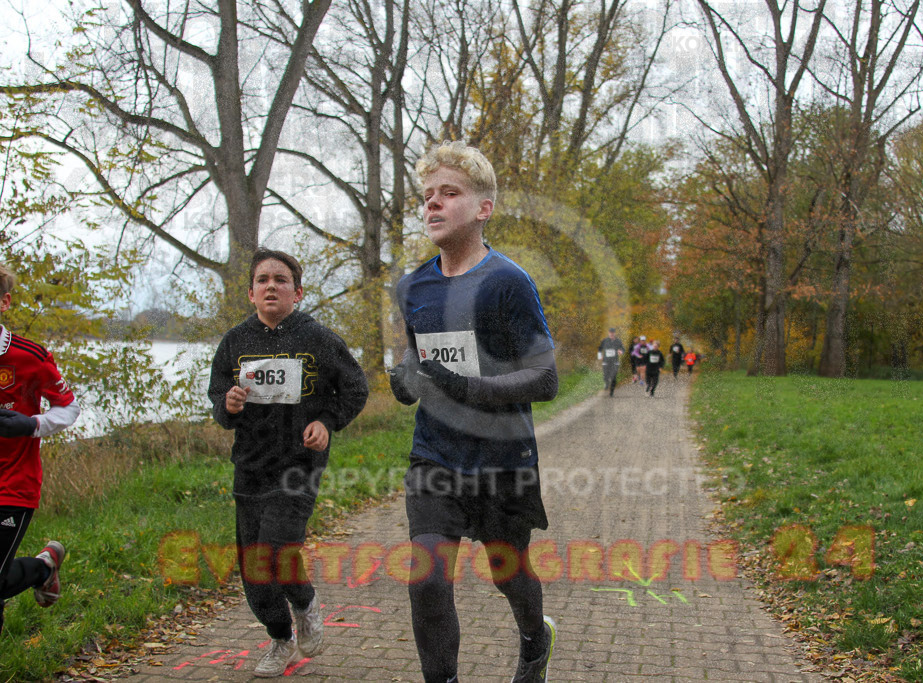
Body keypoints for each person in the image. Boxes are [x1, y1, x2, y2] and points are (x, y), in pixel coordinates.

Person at [389, 140, 558, 683]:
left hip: (502, 457)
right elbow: (416, 365)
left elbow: (545, 378)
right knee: (428, 579)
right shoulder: (412, 287)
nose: (432, 204)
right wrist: (405, 381)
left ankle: (536, 639)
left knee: (508, 572)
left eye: (449, 193)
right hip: (435, 457)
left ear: (483, 208)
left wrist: (461, 383)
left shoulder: (508, 281)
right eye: (427, 196)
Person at [208, 249, 368, 677]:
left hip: (299, 465)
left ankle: (305, 602)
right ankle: (281, 639)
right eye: (263, 280)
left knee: (277, 549)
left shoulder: (319, 340)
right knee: (255, 571)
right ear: (251, 293)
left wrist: (327, 421)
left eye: (281, 280)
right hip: (251, 467)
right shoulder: (235, 343)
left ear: (297, 292)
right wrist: (229, 404)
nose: (271, 286)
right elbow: (217, 399)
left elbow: (354, 389)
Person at [0, 263, 80, 637]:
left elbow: (69, 408)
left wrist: (31, 425)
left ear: (5, 302)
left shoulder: (29, 356)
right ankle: (44, 567)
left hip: (13, 484)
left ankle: (43, 569)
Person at [597, 327, 625, 397]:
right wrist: (600, 356)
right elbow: (600, 348)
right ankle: (606, 383)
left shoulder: (618, 341)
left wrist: (620, 351)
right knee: (606, 375)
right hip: (606, 361)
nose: (611, 334)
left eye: (613, 333)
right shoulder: (605, 340)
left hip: (615, 361)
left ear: (615, 333)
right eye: (610, 333)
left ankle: (611, 392)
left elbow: (622, 348)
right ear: (608, 333)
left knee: (613, 376)